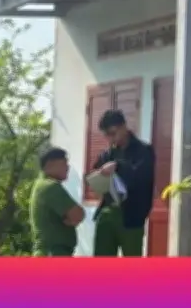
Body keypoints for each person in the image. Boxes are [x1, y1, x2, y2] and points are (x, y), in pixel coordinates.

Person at [91, 109, 155, 257]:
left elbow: (141, 178)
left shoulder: (144, 151)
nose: (111, 139)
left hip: (131, 217)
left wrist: (118, 166)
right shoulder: (107, 153)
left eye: (113, 133)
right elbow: (95, 172)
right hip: (106, 214)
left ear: (124, 126)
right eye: (107, 135)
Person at [30, 147, 85, 257]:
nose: (68, 167)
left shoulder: (40, 184)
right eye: (64, 163)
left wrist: (69, 217)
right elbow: (78, 215)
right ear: (50, 164)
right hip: (53, 253)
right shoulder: (51, 187)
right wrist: (70, 218)